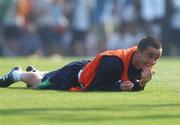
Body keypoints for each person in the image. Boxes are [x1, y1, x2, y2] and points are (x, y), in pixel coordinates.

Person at [0, 36, 162, 92]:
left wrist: (140, 84)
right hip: (75, 77)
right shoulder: (115, 64)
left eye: (156, 58)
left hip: (84, 69)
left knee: (48, 76)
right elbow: (95, 86)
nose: (152, 62)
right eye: (150, 56)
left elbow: (129, 83)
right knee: (39, 84)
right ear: (138, 51)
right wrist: (117, 88)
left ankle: (37, 71)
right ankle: (16, 74)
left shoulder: (137, 61)